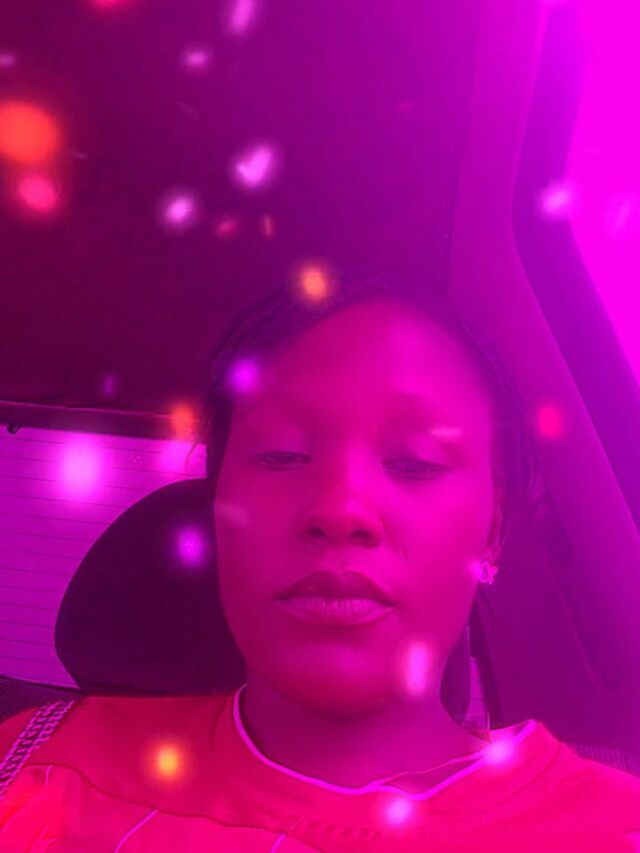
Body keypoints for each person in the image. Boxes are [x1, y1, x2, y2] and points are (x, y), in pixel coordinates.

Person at [1, 273, 639, 851]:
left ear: (492, 531)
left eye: (414, 462)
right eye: (280, 455)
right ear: (219, 504)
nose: (339, 509)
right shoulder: (35, 763)